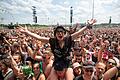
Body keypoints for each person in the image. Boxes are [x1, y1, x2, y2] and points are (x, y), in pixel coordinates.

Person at [18, 19, 96, 80]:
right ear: (55, 34)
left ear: (64, 34)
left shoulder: (68, 39)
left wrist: (87, 26)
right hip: (56, 64)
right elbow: (39, 38)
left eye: (62, 32)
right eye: (58, 32)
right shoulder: (52, 41)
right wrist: (27, 32)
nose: (60, 33)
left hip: (67, 64)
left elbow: (79, 33)